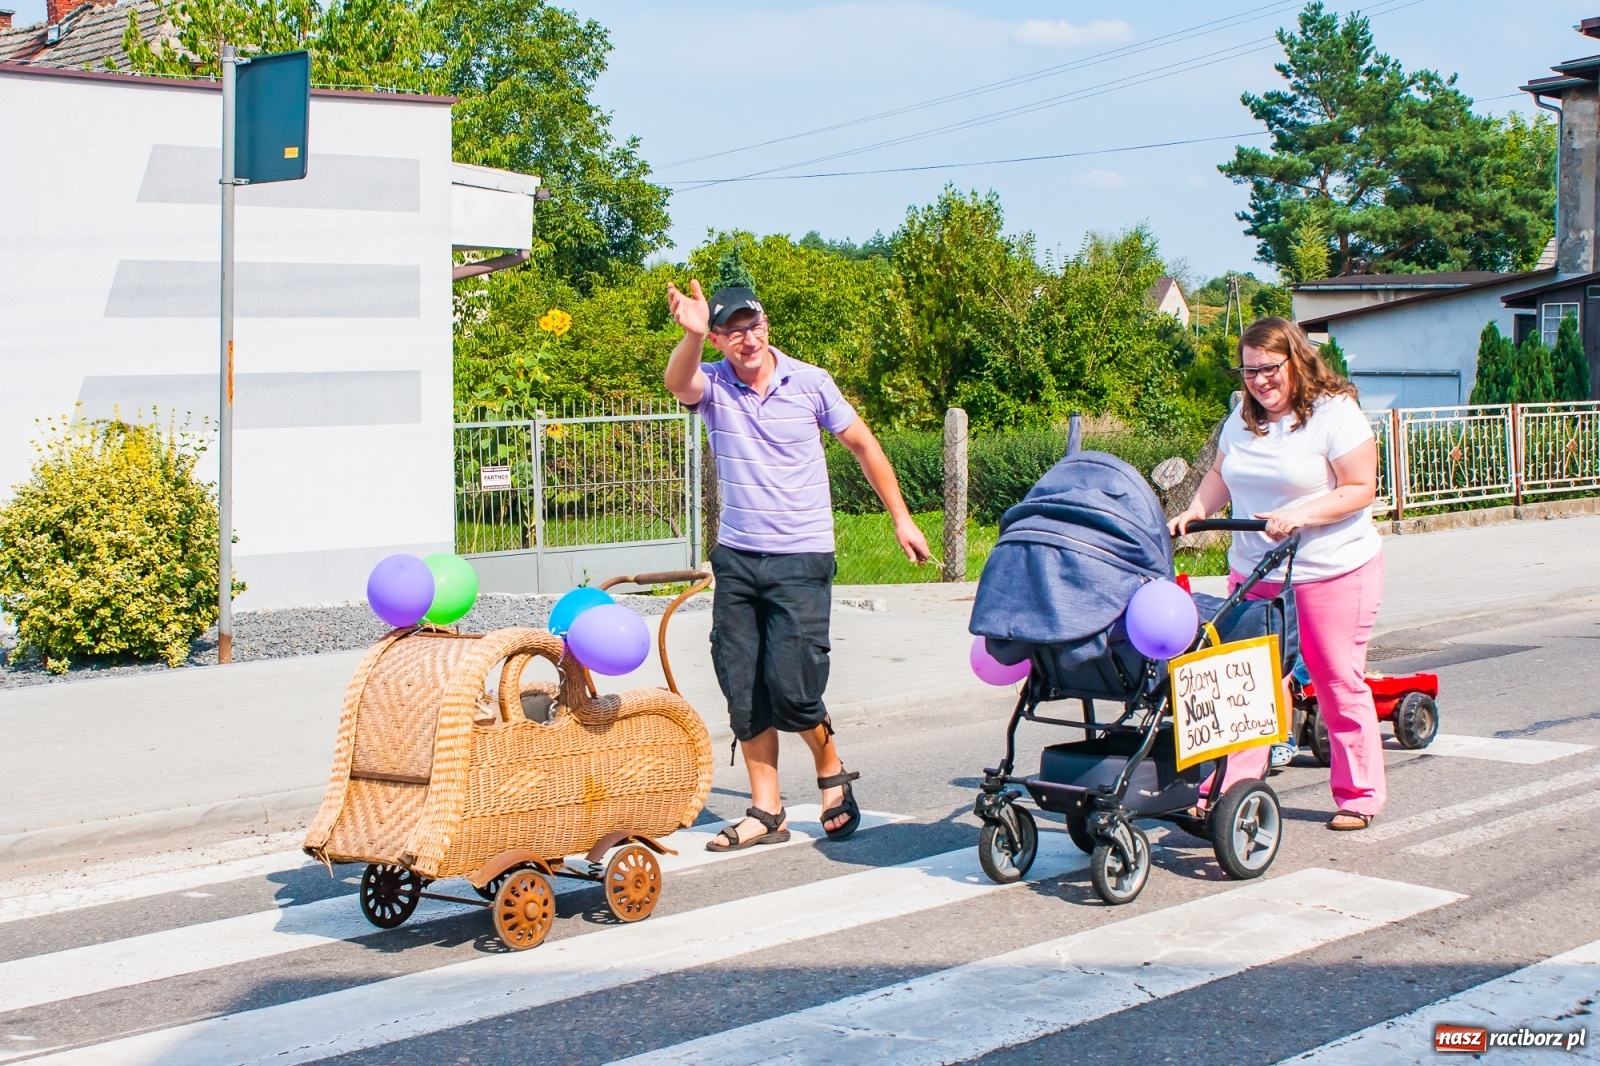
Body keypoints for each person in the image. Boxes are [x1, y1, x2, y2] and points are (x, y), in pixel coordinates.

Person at [663, 279, 932, 851]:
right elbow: (676, 382)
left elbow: (864, 444)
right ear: (717, 339)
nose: (746, 339)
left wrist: (901, 518)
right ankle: (767, 809)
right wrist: (688, 336)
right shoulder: (712, 383)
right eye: (731, 331)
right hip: (737, 555)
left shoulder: (810, 382)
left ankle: (830, 769)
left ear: (767, 327)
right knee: (742, 683)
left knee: (793, 686)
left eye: (753, 326)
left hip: (802, 554)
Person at [1171, 316, 1385, 831]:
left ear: (1296, 359)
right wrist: (1195, 509)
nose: (1260, 381)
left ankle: (1359, 794)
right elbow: (1222, 474)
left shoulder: (1336, 414)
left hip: (1331, 570)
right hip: (1255, 572)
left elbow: (1360, 487)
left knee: (1335, 679)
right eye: (1248, 372)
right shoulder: (1241, 422)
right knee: (1245, 687)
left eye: (1269, 369)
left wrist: (1301, 515)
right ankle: (1225, 791)